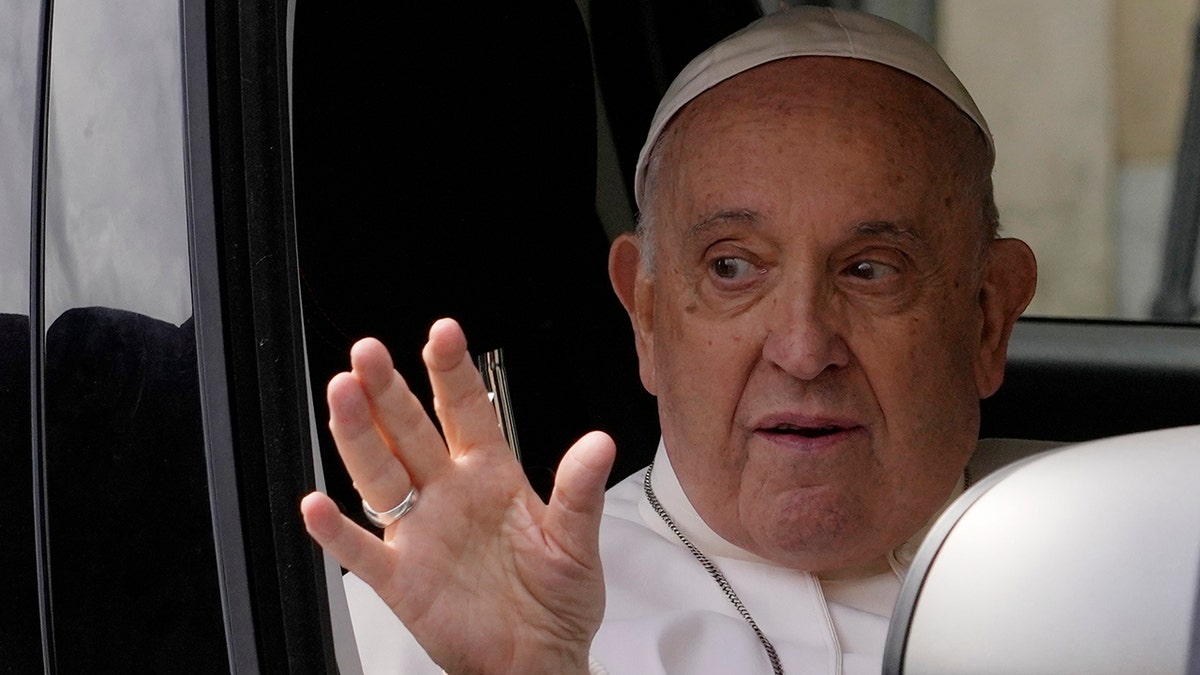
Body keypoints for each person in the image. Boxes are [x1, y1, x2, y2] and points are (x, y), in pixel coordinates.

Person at [300, 7, 1037, 673]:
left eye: (870, 269)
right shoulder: (432, 619)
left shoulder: (1123, 558)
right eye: (733, 267)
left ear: (987, 317)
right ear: (644, 314)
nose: (805, 347)